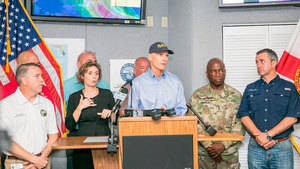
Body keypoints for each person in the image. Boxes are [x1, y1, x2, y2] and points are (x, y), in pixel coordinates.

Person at [237, 48, 300, 169]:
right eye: (257, 62)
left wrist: (268, 135)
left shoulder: (289, 87)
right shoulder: (250, 88)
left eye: (262, 61)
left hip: (282, 148)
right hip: (256, 147)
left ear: (273, 63)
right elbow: (244, 116)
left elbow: (292, 117)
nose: (258, 65)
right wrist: (259, 136)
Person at [187, 58, 245, 169]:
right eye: (213, 71)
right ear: (207, 74)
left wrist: (223, 145)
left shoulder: (236, 96)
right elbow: (192, 123)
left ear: (225, 72)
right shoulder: (197, 96)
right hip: (204, 155)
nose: (218, 74)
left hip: (228, 155)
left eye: (220, 70)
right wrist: (209, 147)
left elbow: (240, 123)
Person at [0, 63, 59, 169]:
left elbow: (53, 136)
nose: (42, 80)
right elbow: (4, 140)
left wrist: (41, 159)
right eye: (37, 76)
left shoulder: (47, 104)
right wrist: (34, 159)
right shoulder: (6, 105)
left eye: (41, 76)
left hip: (43, 162)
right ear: (24, 80)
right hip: (16, 163)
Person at [65, 62, 115, 169]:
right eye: (90, 73)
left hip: (104, 144)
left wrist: (111, 114)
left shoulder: (107, 94)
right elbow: (69, 125)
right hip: (82, 145)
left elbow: (116, 119)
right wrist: (80, 107)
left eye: (96, 73)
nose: (94, 76)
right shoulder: (74, 97)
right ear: (82, 76)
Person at [130, 42, 187, 116]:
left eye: (166, 55)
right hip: (146, 126)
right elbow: (133, 112)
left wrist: (168, 113)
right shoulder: (138, 82)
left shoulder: (175, 81)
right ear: (150, 57)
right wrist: (150, 114)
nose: (165, 59)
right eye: (160, 55)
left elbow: (182, 109)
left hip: (171, 126)